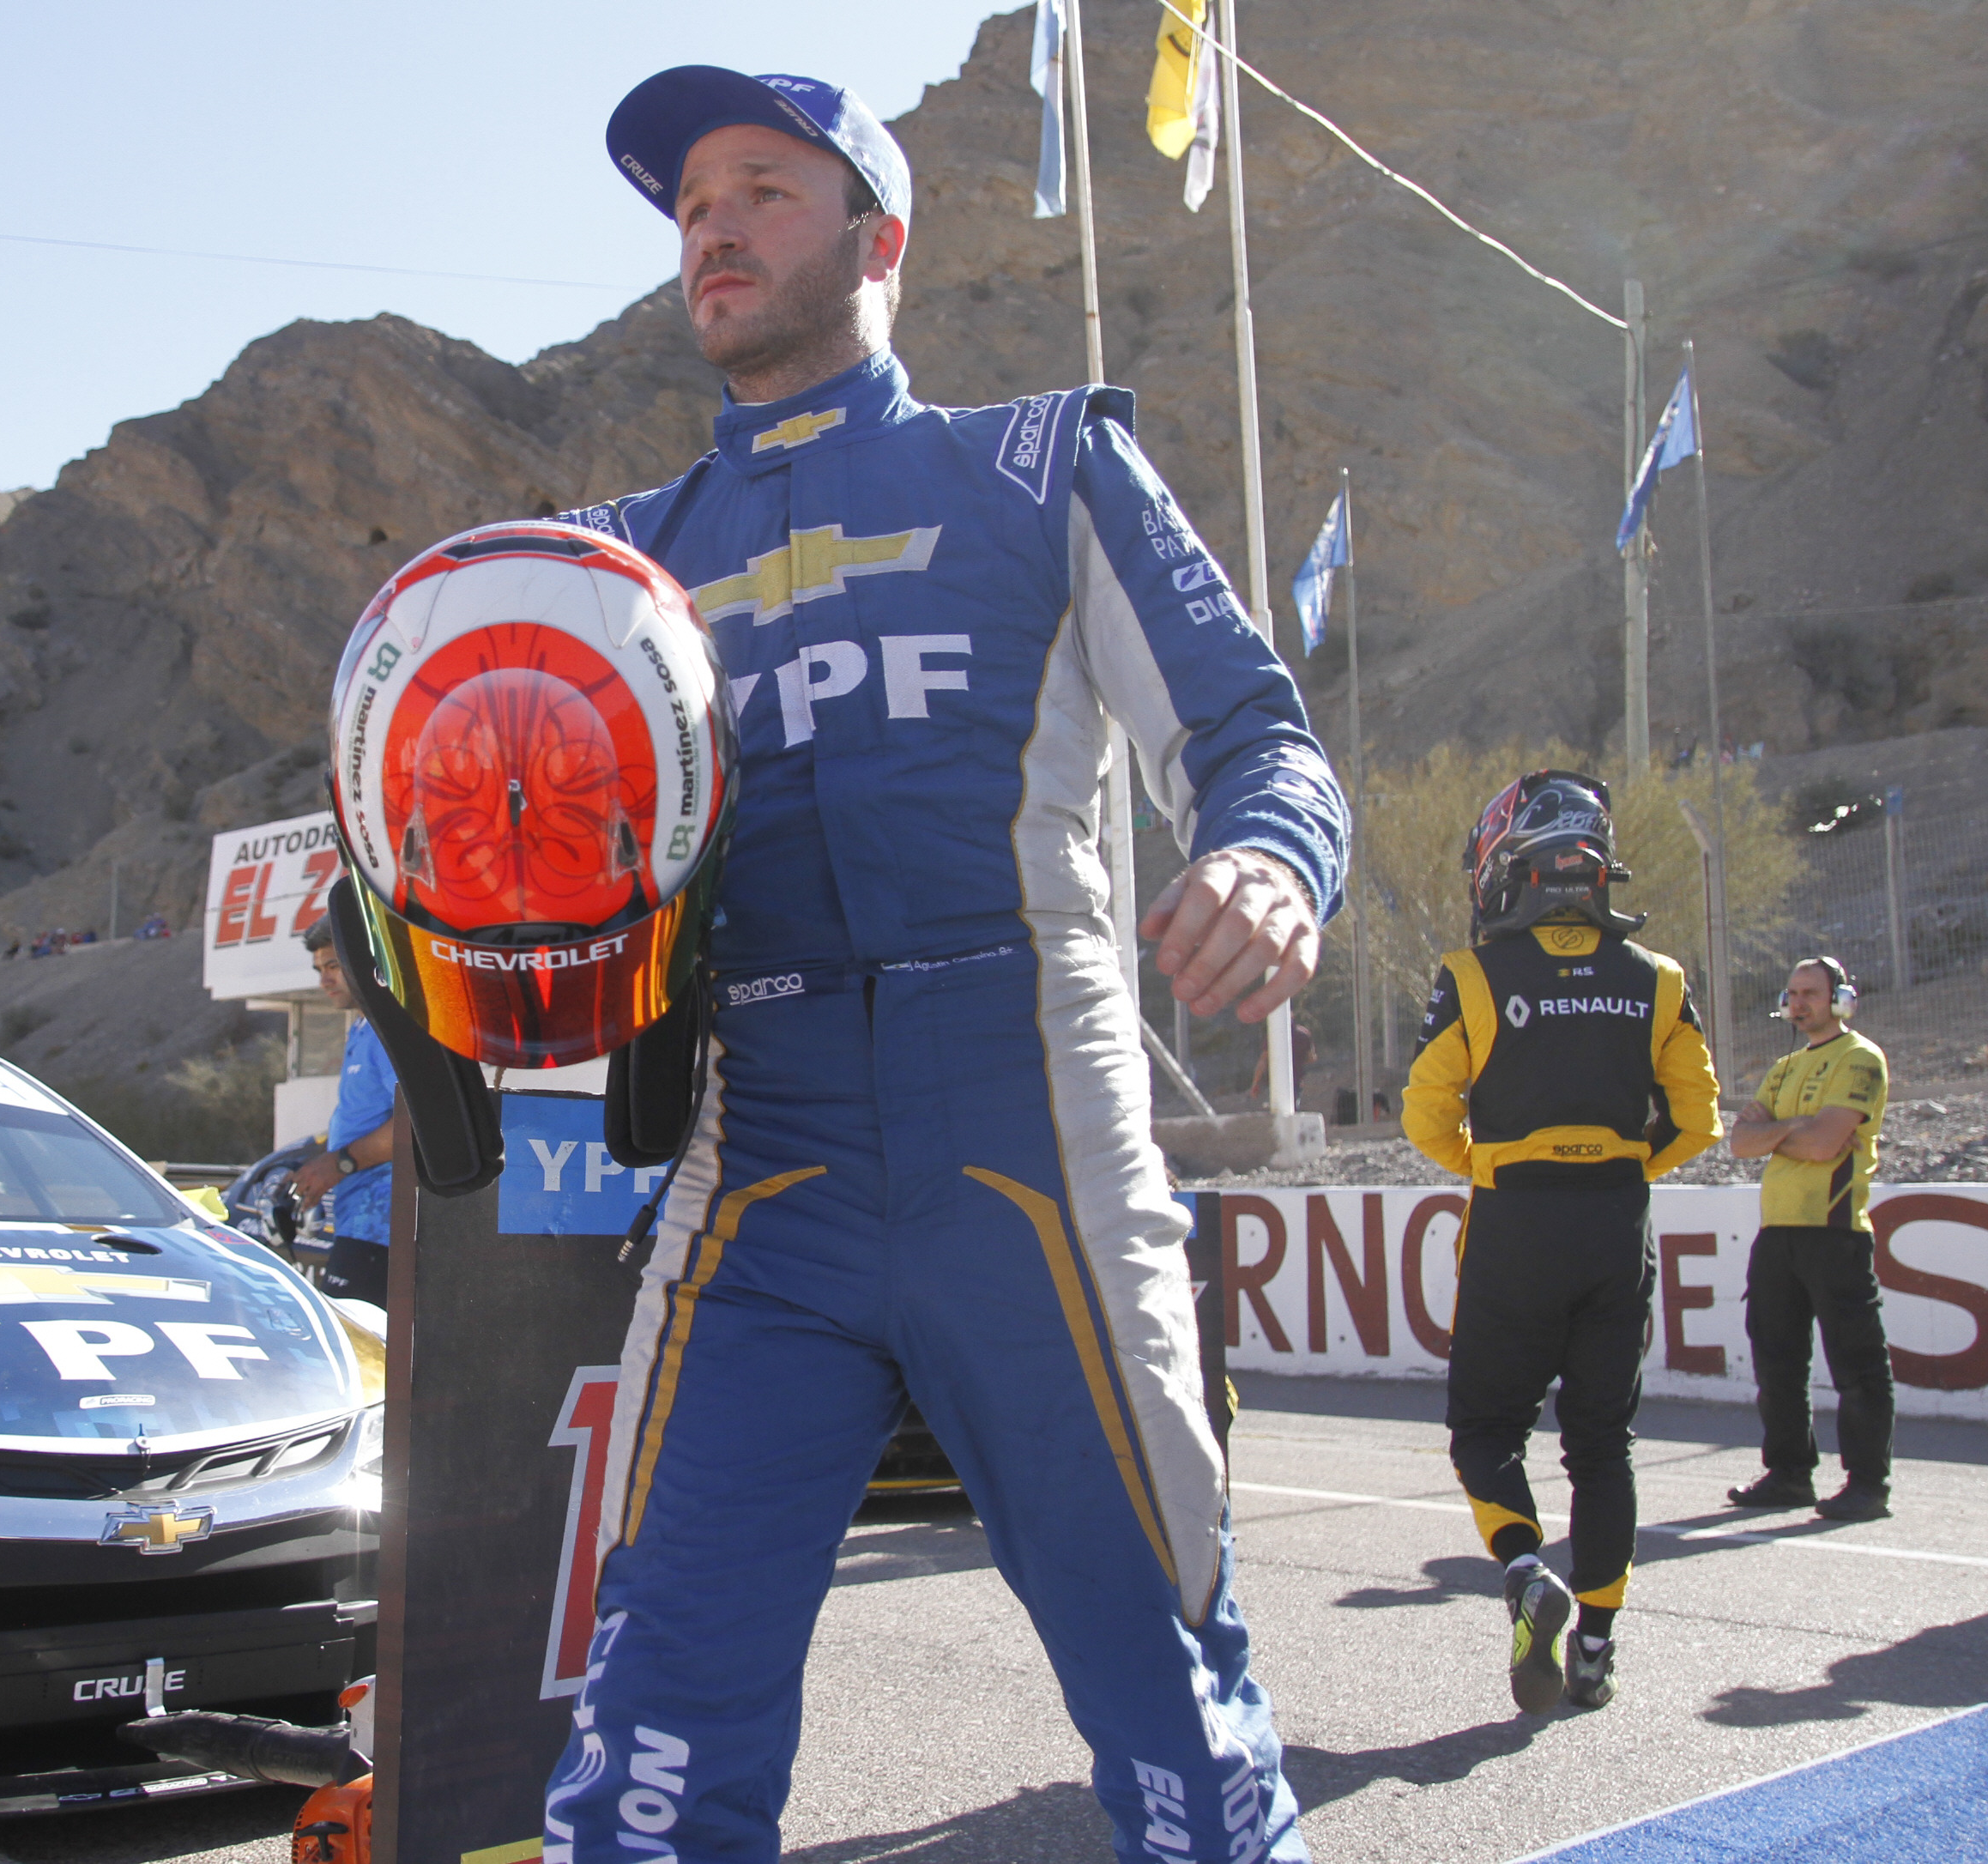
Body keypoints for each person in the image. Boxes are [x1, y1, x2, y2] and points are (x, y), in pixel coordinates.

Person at [541, 66, 1344, 1864]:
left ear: (876, 235)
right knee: (650, 1728)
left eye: (762, 187)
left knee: (1168, 1701)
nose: (713, 226)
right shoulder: (614, 561)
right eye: (690, 204)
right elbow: (504, 832)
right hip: (762, 1174)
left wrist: (1268, 860)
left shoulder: (1048, 465)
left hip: (1033, 1139)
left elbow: (1254, 737)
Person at [1402, 770, 1720, 1716]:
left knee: (1484, 1433)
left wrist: (1496, 1161)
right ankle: (1594, 1651)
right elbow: (1699, 1118)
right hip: (1615, 1223)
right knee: (1603, 1447)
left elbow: (1424, 1117)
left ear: (1507, 867)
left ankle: (1523, 1569)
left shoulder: (1470, 975)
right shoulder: (1659, 977)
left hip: (1514, 1221)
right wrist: (1617, 1163)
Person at [1724, 957, 1895, 1521]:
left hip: (1834, 1231)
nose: (1799, 1004)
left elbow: (1825, 1145)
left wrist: (1776, 1134)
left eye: (1811, 993)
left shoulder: (1860, 1058)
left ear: (1840, 999)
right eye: (1792, 994)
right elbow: (1739, 1143)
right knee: (1776, 1363)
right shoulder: (1783, 1068)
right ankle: (1789, 1474)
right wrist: (1795, 1128)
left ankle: (1868, 1484)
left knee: (1856, 1364)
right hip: (1778, 1235)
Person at [289, 914, 397, 1309]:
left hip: (385, 1228)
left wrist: (341, 1163)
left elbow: (419, 1122)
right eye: (319, 969)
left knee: (356, 1343)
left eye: (333, 966)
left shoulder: (390, 1026)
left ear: (367, 960)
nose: (324, 980)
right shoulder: (362, 1027)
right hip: (357, 1222)